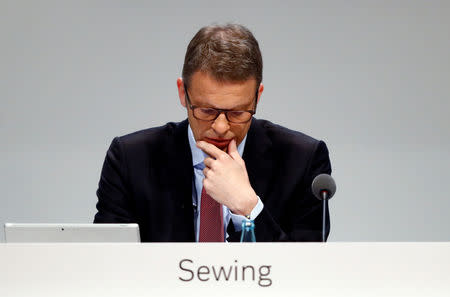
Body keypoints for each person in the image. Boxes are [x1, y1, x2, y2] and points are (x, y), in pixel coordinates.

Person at [94, 24, 332, 242]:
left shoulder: (303, 161)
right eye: (206, 110)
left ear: (257, 97)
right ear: (182, 93)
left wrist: (248, 206)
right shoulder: (130, 159)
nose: (220, 126)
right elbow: (107, 264)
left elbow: (306, 273)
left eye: (237, 113)